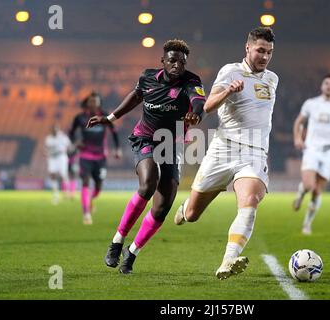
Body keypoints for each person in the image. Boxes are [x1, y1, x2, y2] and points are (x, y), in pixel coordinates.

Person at [87, 39, 206, 274]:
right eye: (172, 60)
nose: (177, 66)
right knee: (149, 181)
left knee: (162, 208)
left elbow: (198, 101)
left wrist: (196, 116)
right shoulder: (147, 77)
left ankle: (131, 253)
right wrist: (110, 118)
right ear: (163, 61)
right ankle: (117, 241)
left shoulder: (191, 81)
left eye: (182, 62)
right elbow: (135, 96)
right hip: (145, 138)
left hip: (172, 146)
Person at [173, 27, 278, 280]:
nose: (264, 57)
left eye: (269, 52)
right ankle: (186, 206)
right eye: (260, 50)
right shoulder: (229, 71)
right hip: (223, 149)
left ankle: (228, 259)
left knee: (250, 202)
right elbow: (207, 107)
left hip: (254, 152)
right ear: (248, 48)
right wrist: (229, 90)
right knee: (192, 215)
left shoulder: (272, 79)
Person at [292, 74, 330, 235]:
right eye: (326, 83)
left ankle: (307, 224)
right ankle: (300, 194)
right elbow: (299, 122)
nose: (329, 85)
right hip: (311, 148)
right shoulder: (311, 104)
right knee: (309, 185)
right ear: (321, 86)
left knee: (317, 191)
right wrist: (298, 138)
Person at [69, 92, 121, 225]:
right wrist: (75, 142)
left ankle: (90, 199)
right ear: (87, 103)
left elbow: (114, 133)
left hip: (101, 156)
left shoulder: (105, 117)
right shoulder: (80, 118)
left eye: (95, 102)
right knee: (85, 182)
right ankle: (86, 213)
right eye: (91, 102)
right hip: (85, 155)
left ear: (99, 103)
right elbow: (71, 133)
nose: (93, 104)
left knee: (98, 188)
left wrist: (117, 149)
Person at [44, 124, 71, 204]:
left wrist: (66, 151)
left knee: (63, 174)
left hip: (61, 157)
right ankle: (56, 193)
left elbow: (69, 145)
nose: (55, 131)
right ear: (51, 130)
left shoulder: (63, 137)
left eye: (56, 130)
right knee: (52, 174)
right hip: (52, 158)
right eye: (53, 130)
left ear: (58, 130)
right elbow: (46, 148)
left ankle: (67, 192)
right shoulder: (49, 138)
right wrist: (46, 153)